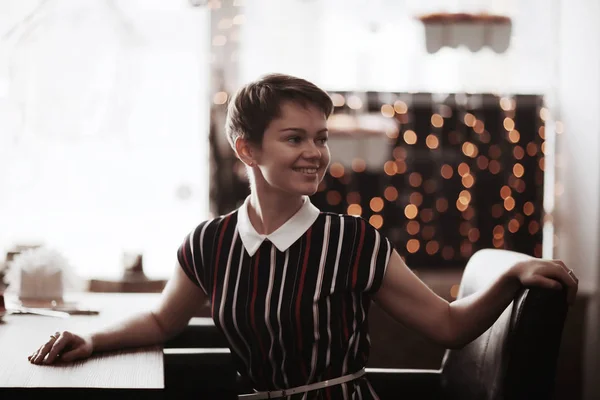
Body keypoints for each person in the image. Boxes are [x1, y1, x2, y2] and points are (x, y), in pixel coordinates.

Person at [28, 73, 579, 399]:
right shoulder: (208, 243)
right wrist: (93, 340)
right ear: (247, 149)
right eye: (294, 138)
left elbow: (449, 326)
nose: (315, 153)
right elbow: (160, 321)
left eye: (320, 137)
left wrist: (511, 275)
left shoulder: (354, 243)